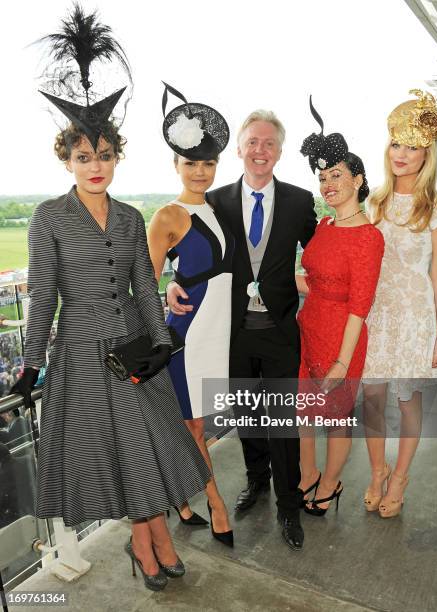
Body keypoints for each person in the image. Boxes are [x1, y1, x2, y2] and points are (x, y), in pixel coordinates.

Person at [11, 6, 210, 592]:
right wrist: (29, 362)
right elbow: (43, 294)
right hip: (81, 352)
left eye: (104, 155)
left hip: (132, 346)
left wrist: (162, 339)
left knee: (145, 451)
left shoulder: (129, 217)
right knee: (120, 456)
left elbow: (143, 285)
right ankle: (150, 544)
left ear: (117, 156)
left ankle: (151, 540)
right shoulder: (49, 217)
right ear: (66, 159)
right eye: (82, 157)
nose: (95, 166)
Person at [167, 109, 317, 550]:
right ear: (239, 149)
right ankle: (257, 482)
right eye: (253, 142)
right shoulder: (217, 202)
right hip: (231, 332)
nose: (260, 150)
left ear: (279, 152)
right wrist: (176, 279)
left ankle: (289, 508)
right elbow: (194, 253)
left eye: (269, 143)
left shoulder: (299, 200)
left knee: (284, 424)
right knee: (248, 417)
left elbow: (320, 255)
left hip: (280, 330)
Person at [147, 83, 234, 547]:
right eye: (190, 163)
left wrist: (175, 280)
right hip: (187, 332)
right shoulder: (167, 216)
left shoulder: (219, 207)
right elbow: (143, 281)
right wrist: (167, 287)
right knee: (193, 425)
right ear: (175, 165)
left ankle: (180, 500)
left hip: (216, 333)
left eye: (207, 163)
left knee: (194, 423)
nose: (199, 171)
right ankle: (215, 503)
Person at [362, 89, 437, 518]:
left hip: (413, 317)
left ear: (426, 154)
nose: (402, 153)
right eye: (397, 143)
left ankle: (400, 476)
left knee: (407, 401)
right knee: (373, 400)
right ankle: (377, 471)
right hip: (375, 315)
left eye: (413, 147)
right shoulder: (374, 202)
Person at [297, 98, 384, 516]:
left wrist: (341, 362)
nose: (328, 183)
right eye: (323, 176)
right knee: (303, 410)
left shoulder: (368, 237)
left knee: (334, 417)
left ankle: (330, 485)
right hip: (308, 326)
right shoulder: (325, 225)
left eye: (337, 175)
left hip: (341, 337)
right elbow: (313, 280)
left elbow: (359, 307)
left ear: (358, 179)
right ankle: (307, 473)